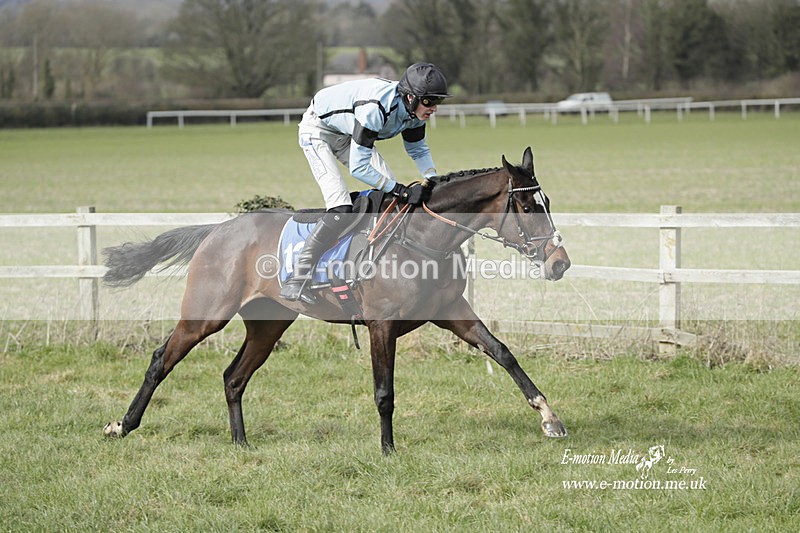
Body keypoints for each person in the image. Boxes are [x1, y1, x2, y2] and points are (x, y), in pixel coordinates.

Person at [280, 62, 452, 302]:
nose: (433, 108)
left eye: (438, 102)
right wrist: (401, 189)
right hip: (317, 132)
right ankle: (296, 278)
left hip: (348, 133)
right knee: (340, 209)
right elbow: (360, 168)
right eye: (429, 101)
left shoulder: (415, 111)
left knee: (389, 200)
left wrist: (433, 179)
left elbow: (417, 149)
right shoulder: (376, 109)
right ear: (411, 96)